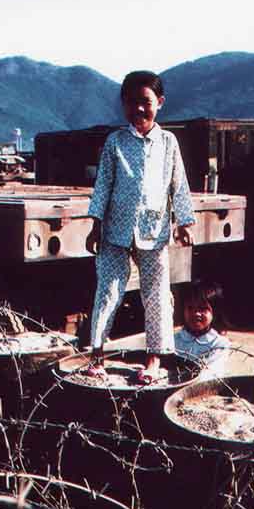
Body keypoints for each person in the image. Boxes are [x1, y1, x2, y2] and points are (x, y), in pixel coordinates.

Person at [86, 70, 196, 383]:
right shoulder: (115, 142)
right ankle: (97, 355)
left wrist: (185, 222)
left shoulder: (168, 143)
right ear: (123, 105)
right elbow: (103, 185)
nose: (138, 109)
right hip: (114, 233)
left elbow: (179, 185)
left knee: (157, 295)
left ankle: (153, 360)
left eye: (145, 102)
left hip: (156, 231)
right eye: (131, 103)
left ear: (159, 103)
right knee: (107, 292)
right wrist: (95, 226)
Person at [175, 281, 231, 381]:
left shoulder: (219, 344)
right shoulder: (174, 340)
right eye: (190, 308)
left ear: (215, 312)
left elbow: (211, 374)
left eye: (202, 308)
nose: (196, 313)